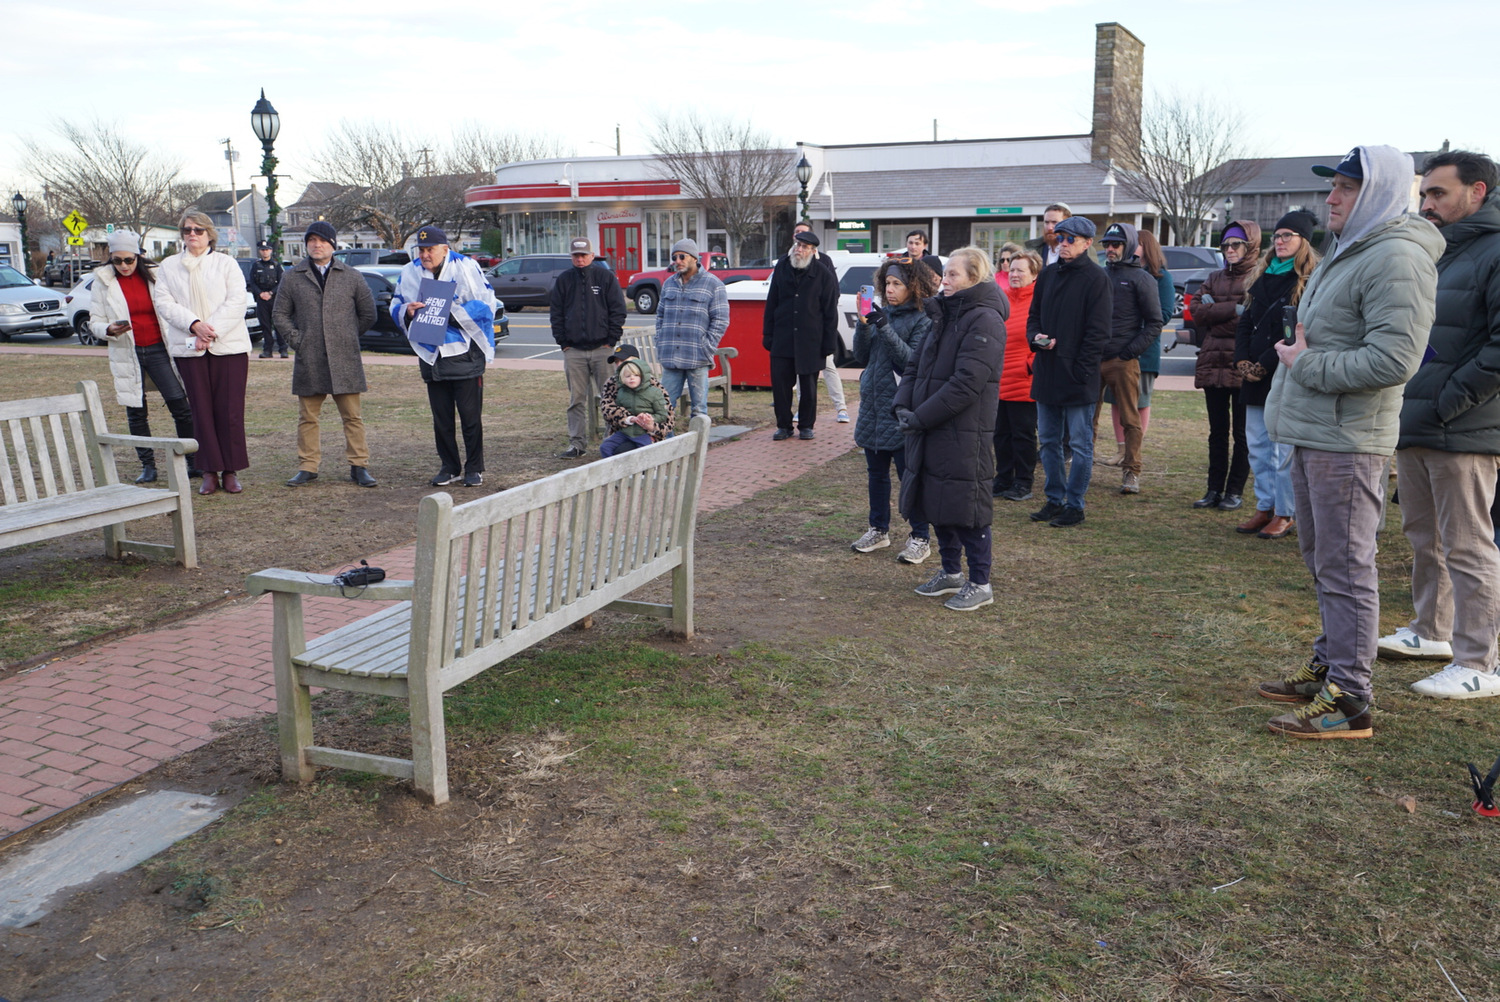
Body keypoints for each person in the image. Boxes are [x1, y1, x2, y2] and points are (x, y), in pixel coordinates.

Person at [1259, 145, 1443, 739]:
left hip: (1349, 440)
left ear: (1383, 193)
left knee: (1345, 567)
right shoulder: (1350, 249)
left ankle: (1352, 701)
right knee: (1323, 562)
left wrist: (1306, 366)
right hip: (1316, 432)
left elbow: (1394, 359)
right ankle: (1331, 664)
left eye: (1346, 188)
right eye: (1332, 186)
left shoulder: (1396, 257)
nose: (1330, 198)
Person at [1378, 150, 1500, 699]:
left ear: (1476, 192)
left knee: (1469, 545)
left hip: (1464, 428)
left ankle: (1481, 661)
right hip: (1418, 420)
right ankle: (1432, 632)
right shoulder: (1438, 250)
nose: (1426, 203)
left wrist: (1448, 403)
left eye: (1438, 194)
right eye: (1423, 194)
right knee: (1423, 536)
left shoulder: (1495, 251)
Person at [894, 247, 1007, 611]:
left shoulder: (985, 320)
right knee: (935, 500)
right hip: (929, 426)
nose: (945, 280)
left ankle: (980, 581)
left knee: (967, 506)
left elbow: (966, 384)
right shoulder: (942, 316)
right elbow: (915, 367)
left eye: (954, 275)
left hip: (963, 431)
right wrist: (902, 404)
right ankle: (950, 572)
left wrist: (920, 416)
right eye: (945, 273)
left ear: (974, 278)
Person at [152, 211, 251, 496]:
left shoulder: (226, 263)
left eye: (198, 230)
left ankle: (230, 470)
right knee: (201, 411)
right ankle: (208, 470)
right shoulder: (169, 267)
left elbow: (236, 301)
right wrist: (194, 326)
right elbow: (165, 302)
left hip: (227, 347)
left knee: (229, 410)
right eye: (186, 230)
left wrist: (211, 330)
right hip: (189, 347)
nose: (192, 235)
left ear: (209, 234)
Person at [1233, 210, 1319, 540]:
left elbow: (1296, 329)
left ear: (1303, 242)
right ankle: (1264, 506)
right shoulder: (1262, 274)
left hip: (1282, 371)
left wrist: (1264, 363)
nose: (1280, 242)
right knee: (1257, 445)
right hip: (1253, 372)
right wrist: (1242, 360)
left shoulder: (1309, 280)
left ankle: (1286, 512)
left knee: (1282, 449)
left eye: (1288, 236)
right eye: (1277, 236)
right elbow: (1246, 322)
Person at [274, 221, 379, 488]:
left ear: (333, 244)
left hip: (345, 358)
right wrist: (299, 340)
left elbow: (368, 313)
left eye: (322, 240)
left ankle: (359, 465)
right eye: (311, 240)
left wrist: (346, 336)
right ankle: (308, 466)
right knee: (308, 416)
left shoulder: (352, 275)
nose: (316, 245)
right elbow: (280, 314)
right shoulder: (292, 276)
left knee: (353, 416)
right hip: (309, 357)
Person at [88, 230, 197, 484]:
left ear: (138, 256)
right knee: (136, 411)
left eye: (129, 260)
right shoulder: (102, 281)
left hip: (159, 349)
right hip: (128, 350)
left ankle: (193, 461)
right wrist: (108, 329)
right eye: (117, 261)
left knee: (180, 405)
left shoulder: (157, 276)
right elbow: (94, 321)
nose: (124, 266)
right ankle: (148, 465)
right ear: (110, 259)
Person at [391, 225, 496, 487]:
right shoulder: (409, 271)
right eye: (422, 250)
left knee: (470, 417)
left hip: (464, 355)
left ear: (445, 249)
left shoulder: (465, 266)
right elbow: (395, 304)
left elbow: (486, 303)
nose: (425, 255)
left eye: (431, 250)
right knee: (442, 419)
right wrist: (408, 311)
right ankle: (449, 467)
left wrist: (450, 313)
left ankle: (474, 467)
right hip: (431, 356)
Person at [850, 255, 937, 564]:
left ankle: (920, 536)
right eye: (887, 283)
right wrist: (863, 326)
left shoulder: (923, 319)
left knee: (908, 475)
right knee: (876, 474)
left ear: (913, 286)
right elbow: (861, 356)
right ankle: (878, 529)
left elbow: (909, 362)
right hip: (873, 407)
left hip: (902, 409)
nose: (889, 289)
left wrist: (885, 328)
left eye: (897, 284)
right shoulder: (881, 313)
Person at [1026, 216, 1111, 527]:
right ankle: (1054, 499)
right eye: (1060, 237)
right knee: (1048, 441)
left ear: (1087, 243)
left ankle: (1075, 504)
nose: (1063, 243)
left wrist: (1080, 370)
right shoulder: (1047, 275)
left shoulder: (1096, 279)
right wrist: (1034, 339)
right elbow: (1033, 317)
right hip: (1048, 370)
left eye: (1070, 239)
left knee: (1079, 443)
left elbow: (1098, 333)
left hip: (1078, 375)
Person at [1187, 221, 1261, 511]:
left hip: (1243, 363)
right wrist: (1233, 308)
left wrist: (1214, 309)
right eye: (1226, 245)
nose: (1230, 250)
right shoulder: (1214, 277)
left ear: (1250, 246)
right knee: (1216, 431)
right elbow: (1196, 312)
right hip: (1213, 361)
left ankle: (1234, 491)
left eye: (1236, 245)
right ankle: (1213, 489)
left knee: (1242, 433)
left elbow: (1252, 320)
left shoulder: (1259, 277)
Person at [1094, 223, 1162, 495]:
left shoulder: (1142, 279)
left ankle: (1132, 472)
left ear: (1129, 245)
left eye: (1116, 244)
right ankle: (1082, 467)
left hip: (1122, 361)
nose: (1110, 249)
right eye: (1107, 244)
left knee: (1130, 419)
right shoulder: (1098, 276)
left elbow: (1155, 322)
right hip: (1093, 359)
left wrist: (1129, 352)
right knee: (1086, 417)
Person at [551, 237, 625, 459]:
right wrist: (563, 343)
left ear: (592, 256)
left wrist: (611, 339)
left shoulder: (605, 278)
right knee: (576, 400)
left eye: (584, 255)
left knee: (609, 397)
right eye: (576, 255)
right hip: (573, 351)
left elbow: (618, 310)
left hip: (603, 349)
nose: (580, 259)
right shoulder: (564, 280)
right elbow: (556, 313)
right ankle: (577, 444)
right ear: (571, 257)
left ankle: (612, 442)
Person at [763, 231, 838, 440]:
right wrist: (767, 333)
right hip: (783, 337)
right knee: (781, 385)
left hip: (811, 340)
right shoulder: (782, 267)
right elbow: (772, 302)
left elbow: (830, 312)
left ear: (813, 251)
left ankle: (806, 425)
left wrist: (828, 343)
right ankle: (783, 425)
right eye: (797, 245)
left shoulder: (823, 274)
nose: (799, 249)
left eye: (804, 247)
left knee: (808, 386)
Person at [654, 238, 728, 423]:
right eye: (674, 257)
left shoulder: (713, 284)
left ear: (694, 258)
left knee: (699, 410)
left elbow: (721, 320)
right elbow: (660, 316)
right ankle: (666, 446)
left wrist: (707, 346)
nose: (677, 261)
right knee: (663, 407)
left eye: (681, 256)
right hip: (671, 357)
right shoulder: (669, 284)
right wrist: (660, 340)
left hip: (697, 356)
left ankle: (699, 449)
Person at [993, 249, 1041, 501]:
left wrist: (1030, 365)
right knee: (1000, 433)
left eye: (1020, 270)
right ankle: (1003, 478)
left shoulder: (1041, 301)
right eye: (1011, 269)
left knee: (1022, 435)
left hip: (1024, 380)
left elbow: (1045, 336)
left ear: (1033, 274)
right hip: (998, 378)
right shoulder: (1001, 299)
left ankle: (1023, 482)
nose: (1014, 274)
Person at [794, 222, 849, 423]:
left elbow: (833, 292)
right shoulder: (790, 261)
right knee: (801, 370)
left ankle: (841, 407)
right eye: (796, 234)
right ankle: (801, 408)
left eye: (803, 234)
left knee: (828, 366)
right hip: (796, 329)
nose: (799, 239)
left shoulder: (824, 261)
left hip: (817, 328)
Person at [598, 344, 672, 457]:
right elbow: (607, 410)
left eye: (623, 360)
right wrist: (630, 418)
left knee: (630, 453)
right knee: (610, 448)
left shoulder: (653, 386)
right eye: (616, 362)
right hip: (623, 431)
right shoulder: (612, 383)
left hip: (648, 433)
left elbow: (668, 418)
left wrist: (650, 424)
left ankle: (649, 470)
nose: (619, 364)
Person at [251, 240, 287, 358]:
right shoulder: (256, 265)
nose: (265, 252)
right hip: (262, 299)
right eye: (262, 250)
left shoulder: (276, 265)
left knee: (278, 324)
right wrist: (261, 294)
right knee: (265, 325)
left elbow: (282, 282)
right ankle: (267, 350)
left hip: (274, 299)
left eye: (267, 249)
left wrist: (271, 293)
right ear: (260, 251)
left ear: (271, 250)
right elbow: (252, 282)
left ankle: (283, 349)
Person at [1025, 203, 1072, 268]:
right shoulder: (1033, 250)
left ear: (1067, 224)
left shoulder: (1077, 251)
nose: (1049, 227)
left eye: (1054, 222)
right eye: (1046, 222)